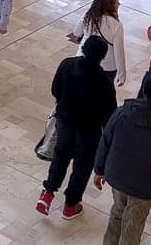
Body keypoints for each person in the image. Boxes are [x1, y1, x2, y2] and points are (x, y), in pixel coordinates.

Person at [37, 36, 118, 220]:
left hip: (65, 123)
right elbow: (109, 115)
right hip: (89, 132)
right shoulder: (104, 81)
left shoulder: (67, 65)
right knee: (82, 166)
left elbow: (55, 89)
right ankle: (71, 205)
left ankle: (47, 193)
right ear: (102, 57)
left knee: (60, 156)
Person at [94, 75, 151, 245]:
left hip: (117, 176)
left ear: (144, 91)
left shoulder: (121, 113)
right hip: (144, 187)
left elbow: (106, 140)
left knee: (117, 212)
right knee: (133, 224)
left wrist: (99, 169)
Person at [71, 0, 127, 86]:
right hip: (106, 67)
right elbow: (119, 52)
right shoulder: (117, 25)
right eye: (117, 2)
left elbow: (76, 32)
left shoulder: (88, 16)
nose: (119, 4)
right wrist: (122, 75)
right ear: (110, 5)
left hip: (83, 59)